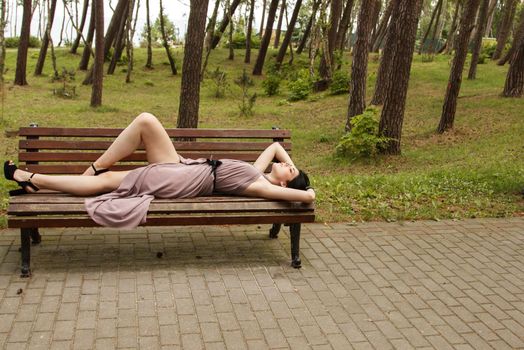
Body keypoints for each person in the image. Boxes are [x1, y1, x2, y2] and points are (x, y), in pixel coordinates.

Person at [4, 113, 315, 228]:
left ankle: (30, 178)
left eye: (291, 169)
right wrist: (293, 171)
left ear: (287, 181)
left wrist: (307, 191)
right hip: (183, 167)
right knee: (146, 121)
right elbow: (275, 146)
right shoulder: (257, 170)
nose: (287, 163)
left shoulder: (260, 186)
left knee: (110, 183)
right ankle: (92, 168)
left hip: (182, 179)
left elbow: (301, 198)